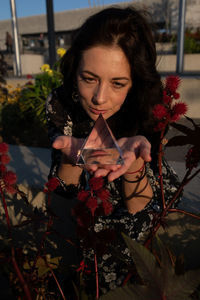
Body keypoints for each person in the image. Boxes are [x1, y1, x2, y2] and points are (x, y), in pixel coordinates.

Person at [46, 6, 181, 295]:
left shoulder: (151, 109)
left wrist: (132, 164)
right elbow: (61, 203)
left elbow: (142, 212)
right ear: (74, 70)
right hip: (78, 246)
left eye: (118, 83)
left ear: (135, 83)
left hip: (138, 246)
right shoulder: (62, 104)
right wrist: (74, 157)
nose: (99, 97)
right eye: (89, 78)